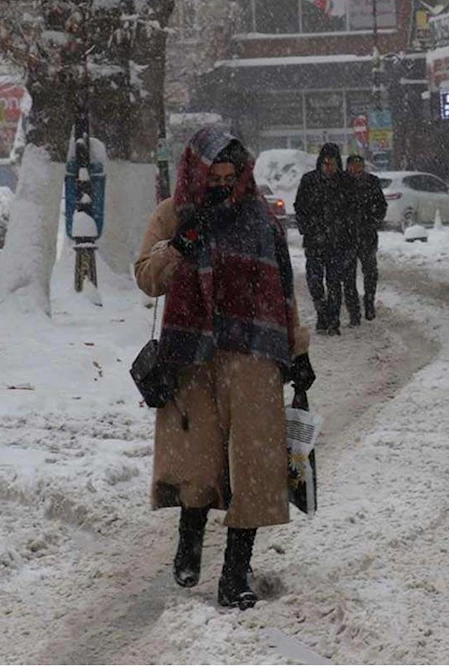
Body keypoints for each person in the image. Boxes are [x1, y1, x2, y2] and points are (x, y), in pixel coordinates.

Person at [134, 127, 315, 610]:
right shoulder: (173, 213)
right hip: (192, 356)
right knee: (197, 462)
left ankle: (236, 571)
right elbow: (147, 279)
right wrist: (178, 247)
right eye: (212, 177)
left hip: (253, 351)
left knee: (255, 464)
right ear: (195, 171)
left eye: (229, 177)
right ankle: (190, 538)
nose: (221, 186)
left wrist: (298, 352)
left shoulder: (260, 217)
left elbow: (283, 289)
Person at [294, 143, 347, 335]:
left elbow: (352, 209)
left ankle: (333, 320)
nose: (329, 167)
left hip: (337, 242)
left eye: (332, 164)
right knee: (315, 281)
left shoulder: (344, 182)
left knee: (334, 282)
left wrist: (347, 233)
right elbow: (300, 207)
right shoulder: (309, 181)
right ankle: (321, 312)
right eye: (326, 163)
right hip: (314, 241)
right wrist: (306, 228)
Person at [342, 155, 387, 324]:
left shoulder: (371, 182)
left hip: (367, 234)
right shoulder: (341, 182)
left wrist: (374, 222)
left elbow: (381, 205)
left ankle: (369, 302)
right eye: (353, 166)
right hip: (346, 236)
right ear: (348, 167)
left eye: (359, 166)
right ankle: (354, 311)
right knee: (348, 275)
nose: (356, 169)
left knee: (370, 271)